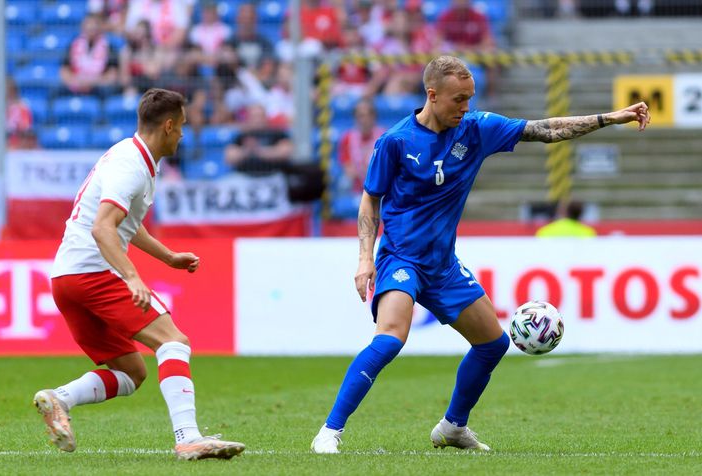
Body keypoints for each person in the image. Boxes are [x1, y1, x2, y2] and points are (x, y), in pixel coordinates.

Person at [310, 55, 650, 453]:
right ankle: (330, 432)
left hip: (443, 265)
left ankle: (452, 427)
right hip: (401, 258)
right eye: (458, 99)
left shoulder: (476, 129)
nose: (465, 107)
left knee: (493, 343)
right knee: (390, 338)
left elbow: (545, 130)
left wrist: (610, 118)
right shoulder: (396, 142)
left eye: (469, 98)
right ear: (432, 95)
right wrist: (365, 257)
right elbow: (371, 201)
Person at [34, 88, 245, 461]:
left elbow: (127, 223)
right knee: (174, 342)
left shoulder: (133, 157)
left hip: (66, 279)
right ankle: (188, 438)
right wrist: (132, 277)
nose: (182, 135)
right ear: (167, 126)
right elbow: (103, 229)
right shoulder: (130, 166)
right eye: (180, 127)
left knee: (132, 372)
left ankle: (59, 399)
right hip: (91, 272)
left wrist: (167, 257)